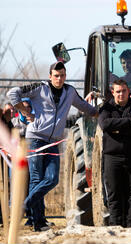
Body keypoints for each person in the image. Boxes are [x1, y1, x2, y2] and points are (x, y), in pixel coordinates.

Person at [7, 61, 98, 231]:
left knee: (52, 179)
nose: (59, 78)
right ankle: (38, 222)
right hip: (35, 139)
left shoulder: (69, 91)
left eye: (62, 75)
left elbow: (84, 106)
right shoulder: (39, 88)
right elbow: (13, 93)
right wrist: (25, 111)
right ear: (50, 76)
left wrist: (98, 111)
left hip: (54, 142)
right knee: (35, 179)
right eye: (56, 75)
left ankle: (25, 205)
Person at [98, 79, 131, 227]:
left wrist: (118, 127)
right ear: (113, 92)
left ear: (128, 91)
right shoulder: (106, 108)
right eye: (118, 91)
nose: (121, 94)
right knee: (114, 196)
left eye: (124, 91)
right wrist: (128, 122)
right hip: (112, 158)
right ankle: (115, 227)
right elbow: (105, 124)